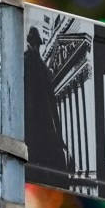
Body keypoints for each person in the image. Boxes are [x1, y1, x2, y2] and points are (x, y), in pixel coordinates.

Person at [24, 26, 70, 180]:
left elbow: (51, 100)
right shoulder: (25, 60)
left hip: (45, 119)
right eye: (34, 43)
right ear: (30, 42)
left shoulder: (43, 67)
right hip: (31, 120)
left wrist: (59, 133)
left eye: (38, 43)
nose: (36, 46)